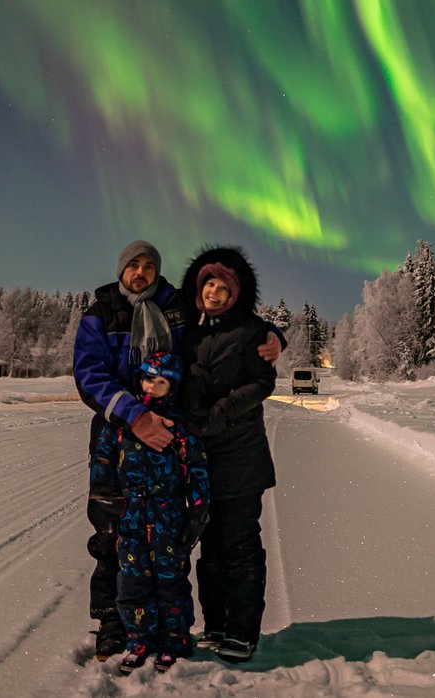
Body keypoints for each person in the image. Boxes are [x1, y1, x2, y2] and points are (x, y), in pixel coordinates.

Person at [73, 240, 282, 661]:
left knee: (166, 536)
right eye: (133, 264)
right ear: (121, 269)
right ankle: (113, 625)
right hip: (117, 435)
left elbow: (229, 320)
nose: (141, 272)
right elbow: (89, 374)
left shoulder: (175, 305)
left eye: (149, 265)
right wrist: (135, 416)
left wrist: (275, 336)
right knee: (113, 533)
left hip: (170, 436)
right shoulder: (102, 313)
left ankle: (169, 627)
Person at [179, 246, 277, 664]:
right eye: (209, 284)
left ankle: (242, 631)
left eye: (223, 286)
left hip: (241, 453)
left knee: (239, 545)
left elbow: (263, 382)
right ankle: (215, 623)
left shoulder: (254, 332)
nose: (215, 292)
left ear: (236, 294)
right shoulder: (190, 331)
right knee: (209, 546)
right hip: (201, 456)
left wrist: (222, 411)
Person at [95, 351, 209, 674]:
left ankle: (174, 641)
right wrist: (106, 503)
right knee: (132, 581)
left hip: (168, 515)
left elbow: (197, 468)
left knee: (171, 581)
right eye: (148, 379)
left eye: (161, 382)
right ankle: (138, 639)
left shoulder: (179, 425)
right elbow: (103, 463)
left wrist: (198, 510)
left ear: (172, 386)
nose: (153, 386)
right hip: (131, 515)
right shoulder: (124, 423)